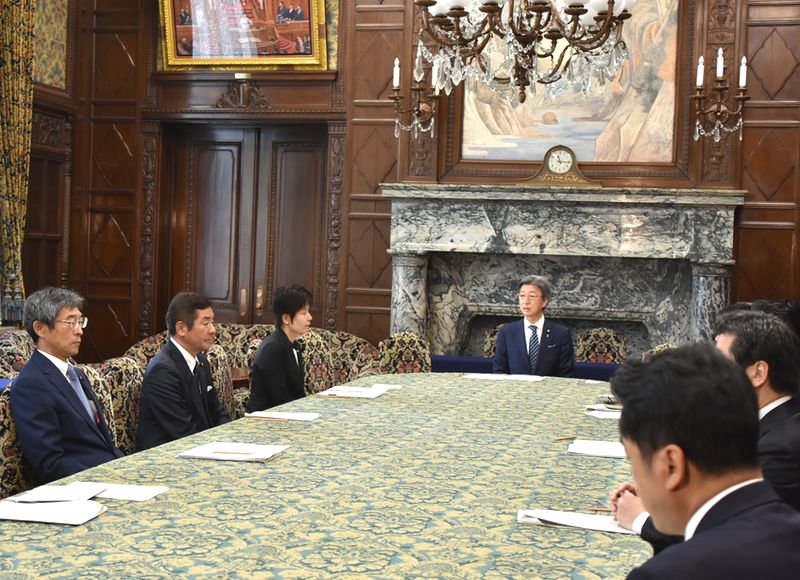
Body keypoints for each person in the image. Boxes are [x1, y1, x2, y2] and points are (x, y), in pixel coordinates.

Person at [612, 310, 800, 552]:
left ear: (758, 373)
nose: (709, 374)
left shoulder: (779, 448)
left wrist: (639, 518)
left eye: (721, 363)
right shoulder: (768, 420)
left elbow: (731, 533)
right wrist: (662, 490)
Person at [10, 287, 123, 484]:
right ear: (40, 328)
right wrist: (107, 478)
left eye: (80, 322)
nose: (79, 330)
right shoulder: (31, 384)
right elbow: (51, 464)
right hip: (81, 488)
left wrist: (127, 467)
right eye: (70, 322)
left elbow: (102, 444)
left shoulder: (76, 374)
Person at [136, 292, 229, 451]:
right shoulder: (162, 371)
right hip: (166, 456)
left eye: (212, 322)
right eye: (205, 323)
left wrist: (231, 439)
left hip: (199, 447)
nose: (213, 330)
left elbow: (217, 412)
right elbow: (182, 432)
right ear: (181, 328)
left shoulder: (201, 362)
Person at [246, 285, 313, 412]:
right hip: (265, 417)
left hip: (287, 412)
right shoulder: (272, 349)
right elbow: (280, 398)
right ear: (286, 318)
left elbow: (298, 392)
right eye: (304, 313)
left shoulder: (295, 345)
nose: (310, 317)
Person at [493, 275, 574, 377]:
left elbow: (566, 374)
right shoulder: (507, 332)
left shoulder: (561, 334)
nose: (526, 301)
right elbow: (499, 371)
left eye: (531, 296)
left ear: (544, 301)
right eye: (522, 296)